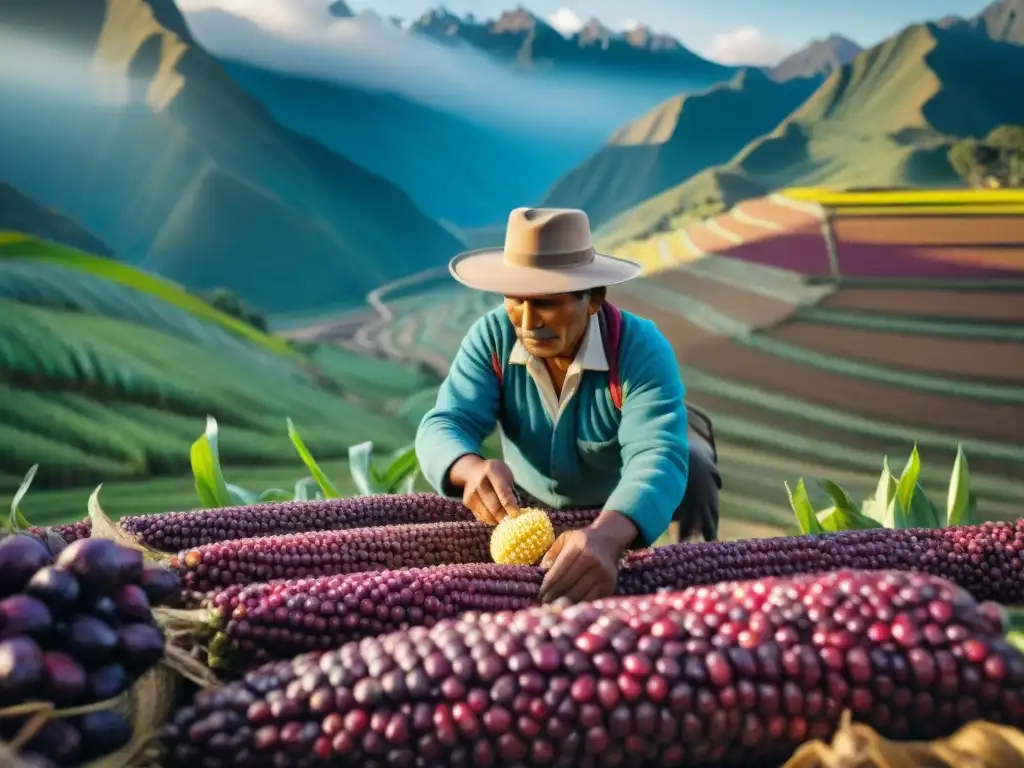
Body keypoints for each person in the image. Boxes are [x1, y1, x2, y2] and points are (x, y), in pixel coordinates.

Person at [415, 207, 721, 604]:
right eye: (515, 301)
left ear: (593, 298)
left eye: (546, 303)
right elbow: (445, 423)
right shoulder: (492, 337)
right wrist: (469, 468)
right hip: (530, 500)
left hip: (616, 502)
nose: (527, 322)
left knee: (691, 459)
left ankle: (697, 578)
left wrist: (608, 537)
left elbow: (656, 455)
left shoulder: (639, 348)